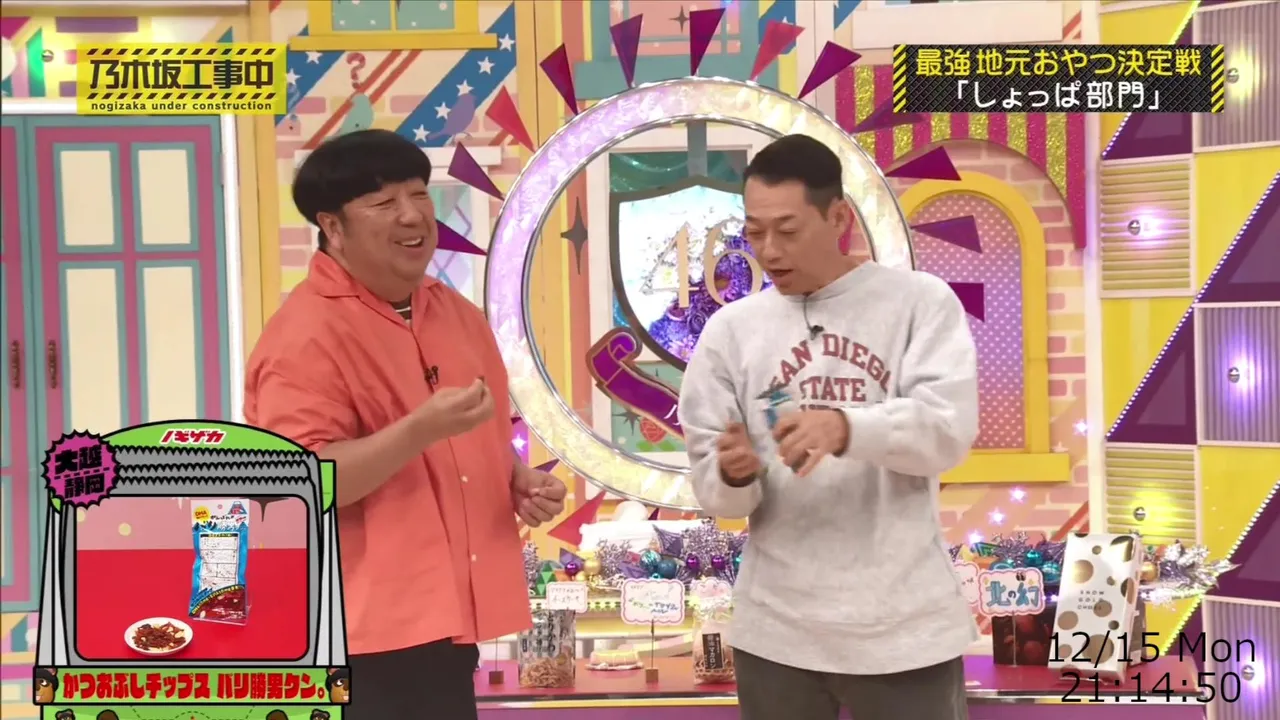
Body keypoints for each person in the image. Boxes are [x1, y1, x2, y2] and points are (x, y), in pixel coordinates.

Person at [245, 129, 567, 720]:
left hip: (449, 626)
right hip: (358, 638)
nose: (413, 216)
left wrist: (514, 476)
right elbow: (303, 483)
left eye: (419, 194)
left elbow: (474, 432)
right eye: (383, 203)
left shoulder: (454, 313)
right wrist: (419, 430)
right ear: (332, 226)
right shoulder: (304, 335)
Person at [679, 134, 979, 720]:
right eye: (754, 232)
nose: (769, 251)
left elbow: (947, 431)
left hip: (902, 630)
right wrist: (733, 475)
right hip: (777, 635)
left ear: (838, 218)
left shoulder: (919, 303)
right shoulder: (730, 332)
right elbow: (716, 491)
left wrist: (845, 428)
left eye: (787, 231)